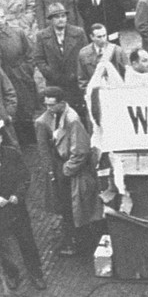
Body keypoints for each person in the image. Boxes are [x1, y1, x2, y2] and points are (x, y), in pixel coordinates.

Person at [0, 125, 46, 290]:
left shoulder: (12, 154)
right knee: (3, 245)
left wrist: (17, 195)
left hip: (17, 208)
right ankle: (12, 275)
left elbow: (24, 177)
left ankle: (36, 273)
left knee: (27, 241)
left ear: (2, 139)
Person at [35, 87, 104, 256]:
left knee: (75, 207)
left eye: (51, 105)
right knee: (68, 207)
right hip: (63, 166)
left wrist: (66, 171)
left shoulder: (72, 120)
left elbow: (80, 151)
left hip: (71, 170)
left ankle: (79, 244)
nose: (48, 109)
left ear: (61, 103)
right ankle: (75, 240)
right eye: (46, 105)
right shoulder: (54, 116)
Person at [0, 5, 39, 143]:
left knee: (25, 106)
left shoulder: (17, 32)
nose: (0, 21)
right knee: (8, 108)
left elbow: (30, 52)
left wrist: (27, 69)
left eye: (2, 17)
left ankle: (30, 139)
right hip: (2, 76)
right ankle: (15, 140)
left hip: (20, 73)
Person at [34, 4, 91, 118]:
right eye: (57, 17)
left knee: (78, 113)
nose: (61, 19)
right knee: (57, 114)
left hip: (74, 81)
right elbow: (39, 58)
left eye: (63, 16)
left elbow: (86, 55)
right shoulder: (42, 36)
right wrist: (49, 73)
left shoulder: (78, 32)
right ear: (50, 20)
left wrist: (79, 73)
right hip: (54, 82)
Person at [76, 22, 126, 88]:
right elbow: (82, 79)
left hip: (116, 91)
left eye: (104, 35)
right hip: (95, 93)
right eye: (99, 37)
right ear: (91, 37)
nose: (103, 39)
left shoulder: (117, 51)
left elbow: (127, 74)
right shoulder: (84, 53)